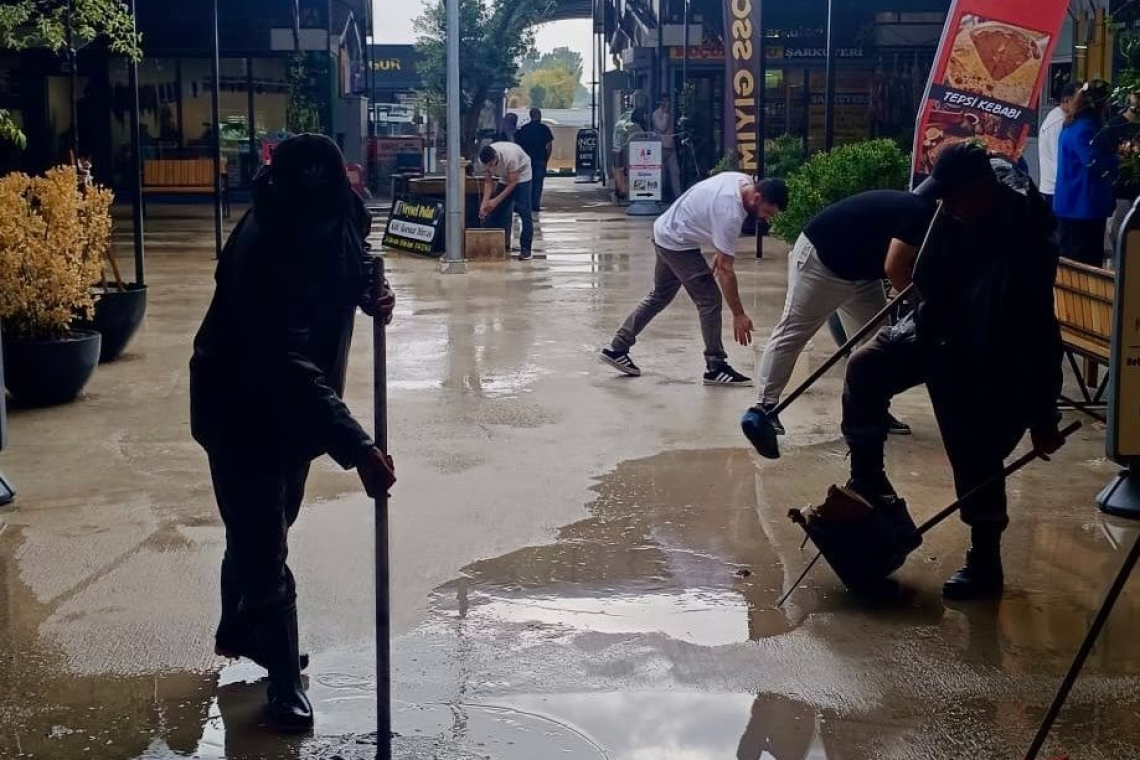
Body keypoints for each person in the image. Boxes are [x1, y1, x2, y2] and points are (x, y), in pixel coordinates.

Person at [190, 134, 397, 732]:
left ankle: (238, 625)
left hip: (299, 412)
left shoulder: (339, 207)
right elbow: (284, 362)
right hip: (238, 407)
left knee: (269, 524)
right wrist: (357, 446)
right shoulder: (257, 248)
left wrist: (370, 291)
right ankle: (282, 679)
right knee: (263, 542)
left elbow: (352, 254)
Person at [840, 142, 1063, 600]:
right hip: (937, 326)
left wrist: (1044, 418)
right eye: (942, 197)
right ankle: (868, 480)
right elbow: (924, 277)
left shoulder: (1024, 238)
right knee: (865, 367)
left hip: (992, 347)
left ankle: (985, 561)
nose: (946, 206)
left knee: (976, 448)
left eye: (954, 197)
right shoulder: (953, 209)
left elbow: (1040, 331)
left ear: (982, 190)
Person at [746, 189, 936, 435]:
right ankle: (764, 407)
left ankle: (870, 409)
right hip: (822, 261)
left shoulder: (940, 220)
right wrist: (922, 304)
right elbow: (895, 267)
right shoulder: (923, 214)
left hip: (862, 272)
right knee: (794, 331)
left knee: (878, 342)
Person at [599, 174, 789, 386]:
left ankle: (617, 348)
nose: (766, 219)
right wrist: (739, 314)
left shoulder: (740, 180)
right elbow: (726, 271)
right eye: (767, 212)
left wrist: (721, 251)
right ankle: (715, 366)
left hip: (665, 229)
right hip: (677, 242)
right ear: (756, 198)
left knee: (660, 296)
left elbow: (712, 215)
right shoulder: (730, 212)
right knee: (709, 299)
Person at [1055, 80, 1117, 267]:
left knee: (1073, 261)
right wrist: (1118, 161)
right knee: (1085, 263)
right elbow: (1091, 161)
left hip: (1074, 205)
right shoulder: (1086, 128)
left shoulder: (1073, 125)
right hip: (1083, 205)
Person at [479, 141, 534, 260]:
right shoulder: (483, 160)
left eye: (490, 164)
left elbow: (513, 183)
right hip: (504, 176)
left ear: (495, 157)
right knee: (495, 211)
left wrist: (495, 201)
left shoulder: (510, 156)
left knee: (524, 211)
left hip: (522, 174)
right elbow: (488, 182)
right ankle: (497, 244)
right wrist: (484, 203)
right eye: (486, 165)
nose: (489, 167)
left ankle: (526, 249)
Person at [1102, 90, 1140, 248]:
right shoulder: (1114, 126)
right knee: (1120, 240)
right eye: (1137, 94)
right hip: (1120, 193)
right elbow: (1104, 159)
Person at [1037, 82, 1079, 207]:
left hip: (1057, 188)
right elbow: (1060, 160)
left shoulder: (1061, 118)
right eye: (1078, 100)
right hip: (1056, 189)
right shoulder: (1058, 123)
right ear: (1067, 100)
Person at [515, 108, 554, 212]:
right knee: (538, 184)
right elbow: (549, 146)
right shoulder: (544, 129)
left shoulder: (523, 129)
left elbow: (518, 146)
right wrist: (546, 159)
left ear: (530, 116)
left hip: (526, 161)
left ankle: (526, 204)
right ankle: (535, 205)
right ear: (539, 116)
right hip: (540, 159)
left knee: (527, 183)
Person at [652, 95, 683, 200]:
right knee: (661, 175)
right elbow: (662, 128)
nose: (667, 104)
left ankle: (678, 197)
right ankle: (658, 197)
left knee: (675, 172)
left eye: (668, 101)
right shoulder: (656, 114)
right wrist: (665, 114)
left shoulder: (671, 113)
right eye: (664, 101)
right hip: (660, 147)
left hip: (670, 147)